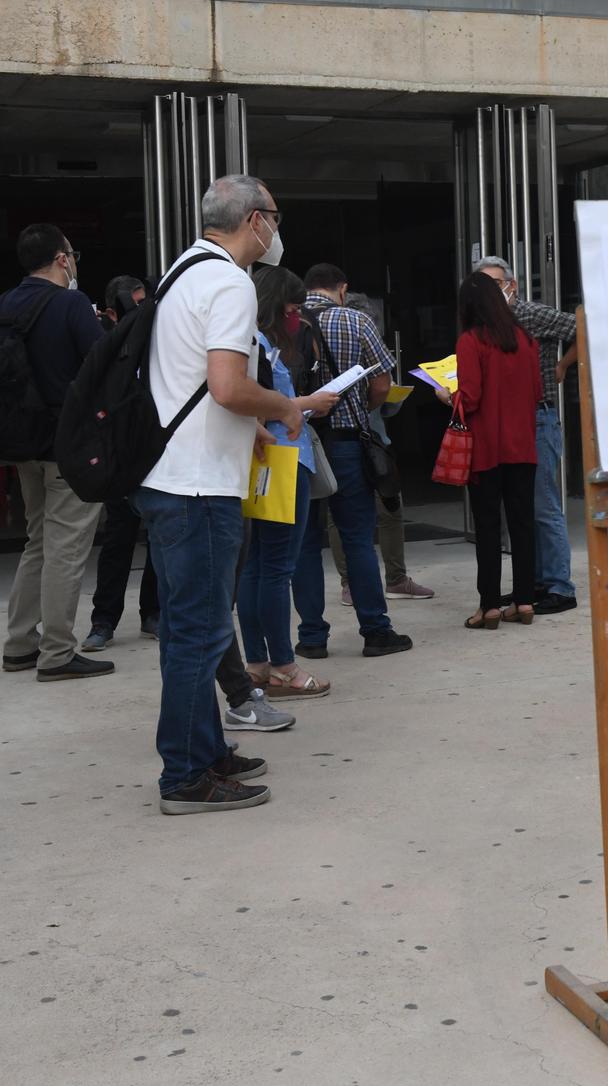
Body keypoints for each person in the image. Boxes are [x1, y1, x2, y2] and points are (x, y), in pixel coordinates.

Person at [140, 174, 306, 813]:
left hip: (170, 477)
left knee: (194, 629)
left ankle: (205, 753)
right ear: (254, 221)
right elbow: (227, 386)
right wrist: (284, 407)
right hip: (199, 486)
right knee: (199, 634)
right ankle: (184, 776)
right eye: (274, 216)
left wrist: (253, 428)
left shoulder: (182, 270)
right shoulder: (232, 282)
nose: (276, 230)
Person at [1, 223, 113, 682]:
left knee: (39, 542)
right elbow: (103, 365)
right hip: (67, 445)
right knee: (67, 548)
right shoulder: (69, 304)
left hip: (21, 443)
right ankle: (58, 653)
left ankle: (19, 644)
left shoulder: (7, 304)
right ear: (62, 259)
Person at [291, 263, 413, 659]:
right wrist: (361, 407)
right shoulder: (356, 321)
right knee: (358, 538)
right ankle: (376, 631)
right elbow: (382, 385)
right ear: (341, 288)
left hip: (299, 443)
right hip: (345, 444)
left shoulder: (286, 318)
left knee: (306, 544)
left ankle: (311, 638)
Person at [239, 266, 337, 704]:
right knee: (277, 567)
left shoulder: (251, 342)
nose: (296, 318)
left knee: (259, 565)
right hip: (280, 461)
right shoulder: (257, 344)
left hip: (266, 461)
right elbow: (260, 403)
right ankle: (282, 666)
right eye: (293, 309)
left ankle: (258, 663)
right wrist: (308, 403)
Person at [477, 256, 580, 616]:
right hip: (507, 424)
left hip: (538, 418)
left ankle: (558, 586)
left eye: (495, 283)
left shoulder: (531, 315)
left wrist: (564, 365)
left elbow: (585, 327)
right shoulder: (484, 322)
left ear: (512, 284)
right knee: (522, 509)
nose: (490, 292)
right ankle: (532, 584)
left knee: (543, 505)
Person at [320, 288, 434, 606]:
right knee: (387, 509)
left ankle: (350, 584)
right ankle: (393, 578)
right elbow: (384, 402)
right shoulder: (362, 343)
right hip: (373, 441)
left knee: (340, 515)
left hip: (344, 440)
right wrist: (381, 401)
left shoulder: (319, 341)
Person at [447, 272, 541, 629]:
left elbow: (469, 397)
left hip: (486, 449)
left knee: (488, 529)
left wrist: (448, 395)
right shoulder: (526, 340)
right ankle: (525, 600)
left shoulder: (471, 341)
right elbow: (536, 391)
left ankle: (488, 606)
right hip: (523, 447)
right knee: (523, 525)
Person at [81, 276, 161, 653]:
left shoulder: (158, 341)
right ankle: (104, 620)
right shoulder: (103, 347)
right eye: (134, 307)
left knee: (158, 539)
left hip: (153, 451)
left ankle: (153, 613)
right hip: (118, 454)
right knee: (118, 539)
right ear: (113, 313)